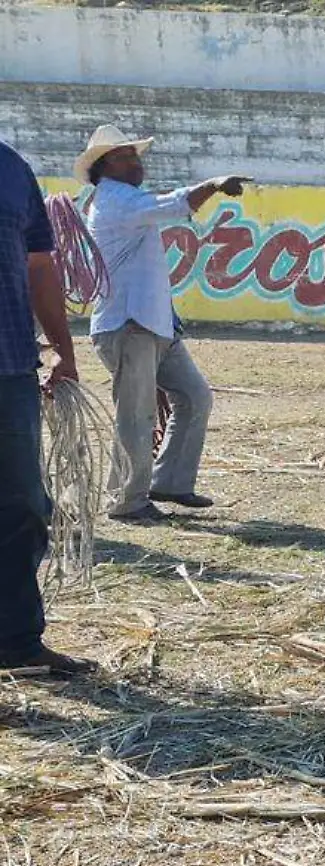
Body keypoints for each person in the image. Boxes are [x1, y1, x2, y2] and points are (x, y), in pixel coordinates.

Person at [76, 124, 249, 524]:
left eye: (135, 155)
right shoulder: (117, 199)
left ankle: (168, 481)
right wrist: (213, 184)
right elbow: (175, 204)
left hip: (150, 323)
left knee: (194, 397)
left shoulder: (120, 198)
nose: (136, 162)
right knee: (137, 415)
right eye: (126, 156)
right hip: (130, 323)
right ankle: (126, 501)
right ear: (105, 166)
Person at [1, 138, 95, 675]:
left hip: (10, 364)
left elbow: (39, 264)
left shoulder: (12, 168)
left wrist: (63, 347)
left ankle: (16, 641)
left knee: (24, 507)